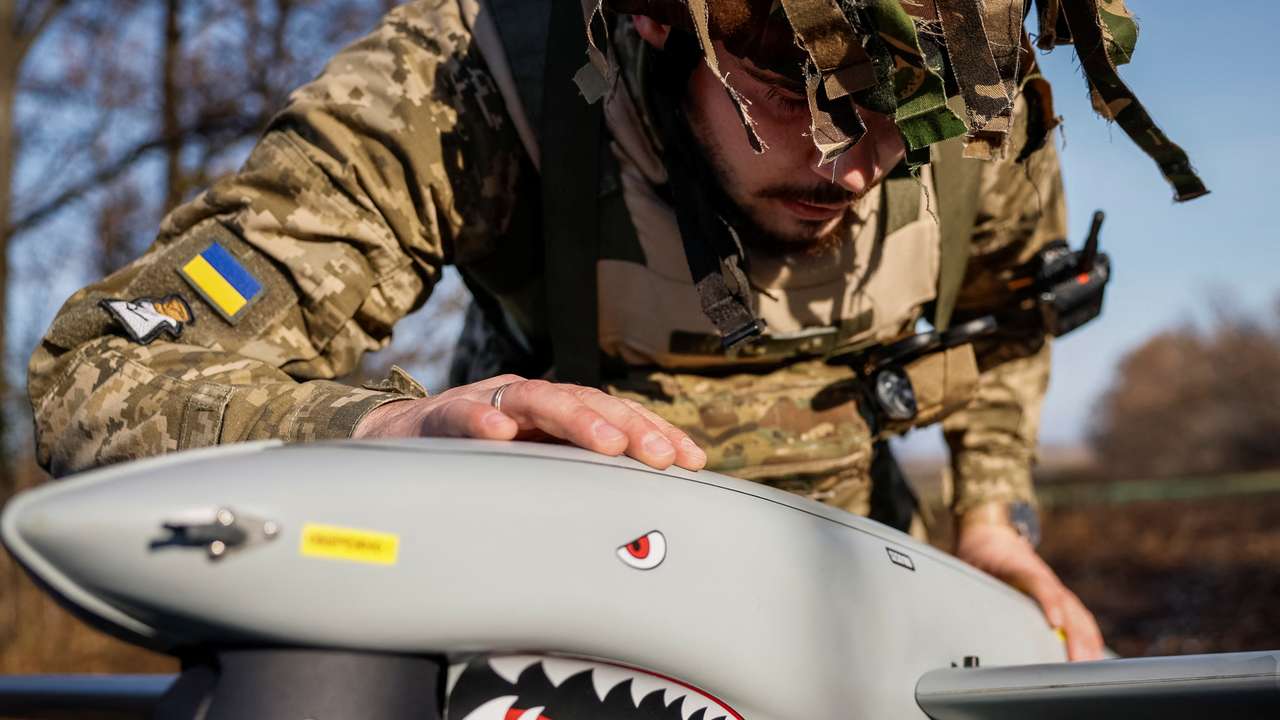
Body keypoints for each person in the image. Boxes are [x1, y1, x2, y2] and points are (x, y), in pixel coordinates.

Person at [27, 0, 1205, 661]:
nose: (855, 164)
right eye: (801, 88)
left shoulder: (969, 102)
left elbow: (1012, 305)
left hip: (849, 590)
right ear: (653, 19)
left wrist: (992, 516)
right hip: (541, 583)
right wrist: (386, 432)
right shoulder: (464, 87)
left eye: (905, 110)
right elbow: (106, 369)